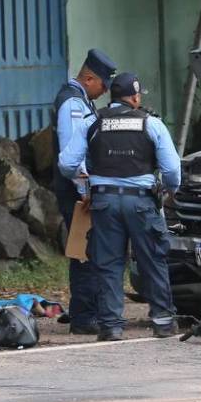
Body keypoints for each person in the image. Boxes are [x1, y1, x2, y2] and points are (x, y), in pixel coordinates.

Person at [58, 72, 181, 341]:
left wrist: (85, 177)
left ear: (112, 96)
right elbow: (172, 170)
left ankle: (111, 326)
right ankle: (162, 321)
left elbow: (67, 164)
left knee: (108, 264)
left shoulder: (92, 121)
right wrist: (170, 189)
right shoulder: (152, 124)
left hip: (104, 203)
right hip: (141, 202)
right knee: (152, 260)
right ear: (135, 97)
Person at [52, 48, 117, 334]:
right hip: (77, 191)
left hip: (78, 190)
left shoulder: (79, 100)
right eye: (103, 85)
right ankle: (83, 317)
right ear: (89, 78)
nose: (105, 91)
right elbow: (73, 156)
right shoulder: (73, 105)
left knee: (88, 251)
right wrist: (86, 191)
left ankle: (86, 312)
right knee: (84, 252)